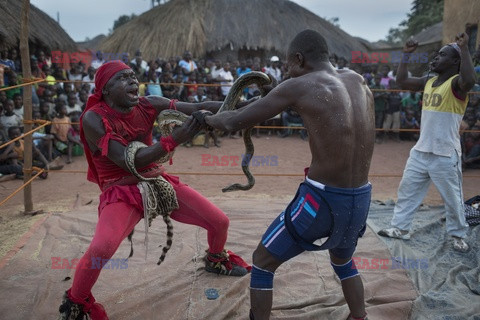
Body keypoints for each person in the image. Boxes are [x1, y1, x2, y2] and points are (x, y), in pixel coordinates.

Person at [57, 61, 251, 320]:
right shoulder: (94, 119)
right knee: (102, 247)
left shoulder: (149, 103)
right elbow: (130, 161)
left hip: (156, 179)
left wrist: (255, 105)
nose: (133, 81)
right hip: (121, 189)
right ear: (105, 89)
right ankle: (76, 302)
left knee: (220, 222)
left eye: (133, 76)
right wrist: (174, 139)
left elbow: (196, 108)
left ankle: (216, 259)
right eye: (123, 78)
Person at [205, 29, 374, 320]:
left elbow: (232, 121)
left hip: (321, 201)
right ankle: (360, 317)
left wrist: (204, 119)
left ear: (298, 58)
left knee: (262, 261)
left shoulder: (299, 85)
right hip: (360, 199)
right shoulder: (357, 80)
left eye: (287, 65)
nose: (286, 71)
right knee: (343, 261)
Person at [377, 33, 477, 253]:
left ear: (454, 62)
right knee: (407, 191)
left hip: (445, 154)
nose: (435, 59)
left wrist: (465, 48)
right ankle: (400, 228)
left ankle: (458, 235)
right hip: (421, 151)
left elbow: (470, 79)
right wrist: (405, 55)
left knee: (452, 199)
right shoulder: (428, 81)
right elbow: (401, 81)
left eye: (441, 55)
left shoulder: (457, 85)